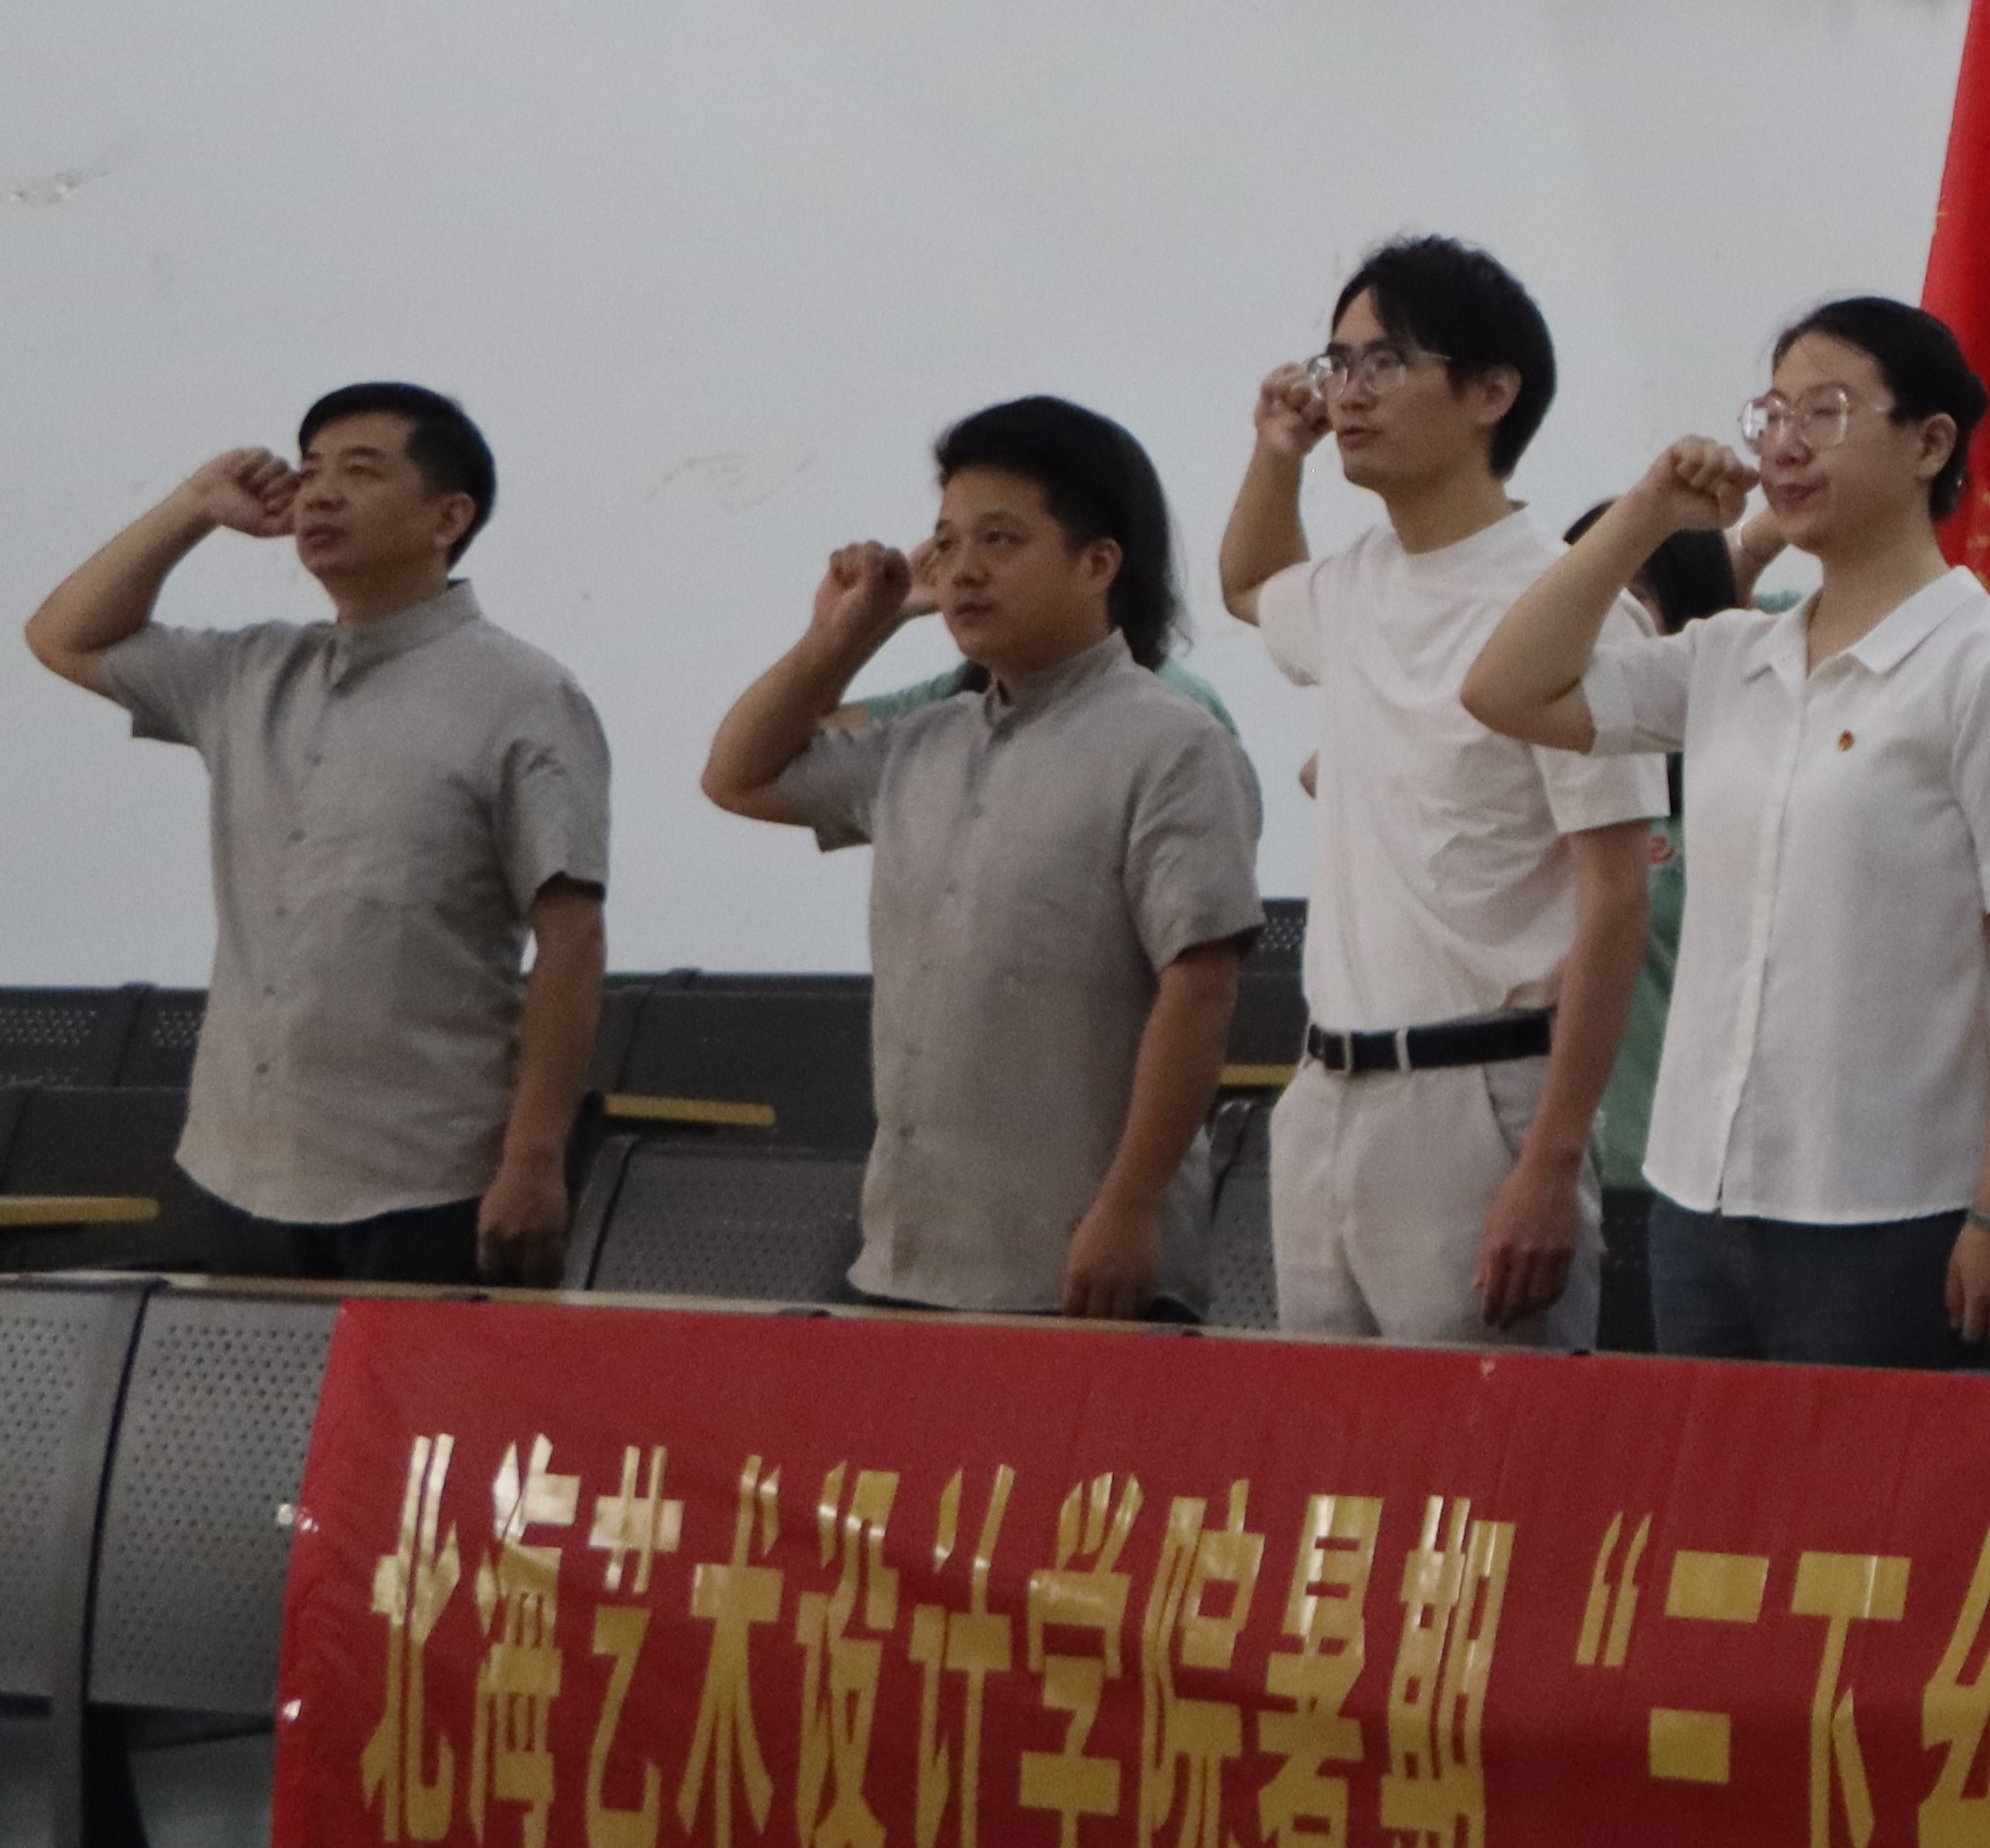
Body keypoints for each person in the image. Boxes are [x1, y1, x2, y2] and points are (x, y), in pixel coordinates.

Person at [1470, 302, 1990, 1368]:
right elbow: (1505, 687)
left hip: (1892, 1212)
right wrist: (1646, 514)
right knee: (1712, 1479)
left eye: (1826, 412)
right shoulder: (1732, 657)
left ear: (1930, 443)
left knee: (1870, 1482)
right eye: (1773, 414)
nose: (1786, 445)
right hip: (1699, 1200)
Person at [28, 389, 609, 1284]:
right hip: (239, 1164)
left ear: (448, 517)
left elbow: (571, 937)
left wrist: (533, 1158)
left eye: (360, 472)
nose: (320, 494)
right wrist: (193, 507)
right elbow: (62, 636)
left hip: (427, 1174)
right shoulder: (250, 671)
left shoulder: (525, 695)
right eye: (309, 473)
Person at [704, 399, 1263, 1319]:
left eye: (1000, 540)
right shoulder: (923, 739)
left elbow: (1201, 990)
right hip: (904, 1258)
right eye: (947, 542)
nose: (963, 570)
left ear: (1098, 562)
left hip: (1078, 1264)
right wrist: (848, 631)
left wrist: (1131, 1205)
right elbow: (737, 775)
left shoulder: (1174, 743)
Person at [1214, 238, 1666, 1348]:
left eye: (1386, 361)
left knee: (1486, 1450)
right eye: (1337, 361)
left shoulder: (1566, 604)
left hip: (1483, 1096)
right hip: (1324, 1091)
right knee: (1329, 1444)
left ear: (1491, 391)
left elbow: (1616, 896)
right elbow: (1248, 583)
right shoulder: (1357, 580)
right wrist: (1277, 453)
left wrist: (1551, 1160)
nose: (1349, 391)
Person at [1583, 506, 1759, 1192]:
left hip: (1677, 1170)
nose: (1595, 624)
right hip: (1535, 1161)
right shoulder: (1545, 772)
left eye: (1630, 599)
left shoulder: (1735, 782)